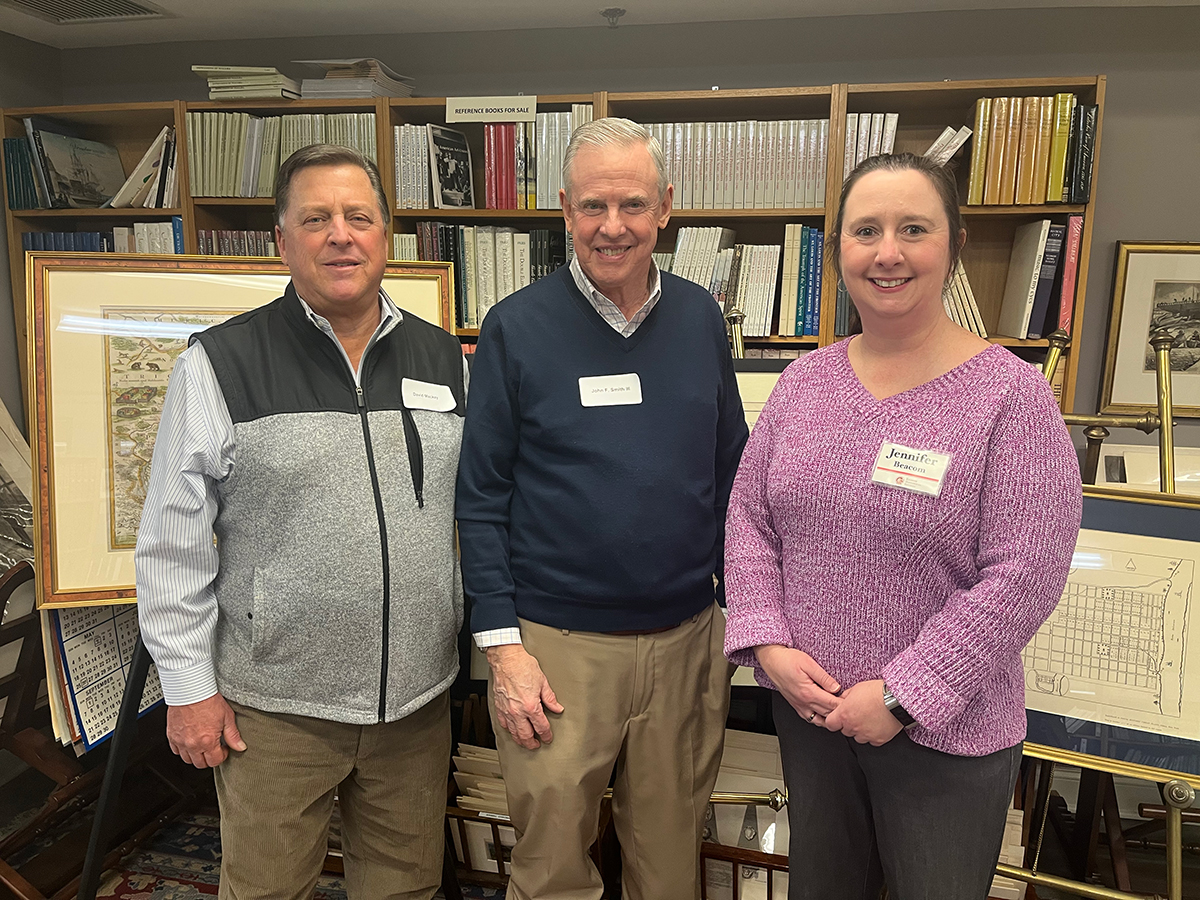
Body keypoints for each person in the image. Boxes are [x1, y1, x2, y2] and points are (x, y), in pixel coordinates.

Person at [723, 152, 1082, 900]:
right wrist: (768, 644)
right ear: (840, 251)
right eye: (866, 231)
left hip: (945, 741)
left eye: (913, 229)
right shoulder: (803, 383)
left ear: (951, 246)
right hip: (813, 720)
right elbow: (750, 519)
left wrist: (902, 697)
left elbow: (1026, 573)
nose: (888, 252)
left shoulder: (1011, 398)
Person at [135, 144, 468, 900]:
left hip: (415, 706)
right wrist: (187, 687)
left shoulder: (445, 358)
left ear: (387, 235)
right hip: (276, 712)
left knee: (406, 890)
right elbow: (171, 540)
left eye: (358, 216)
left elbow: (471, 511)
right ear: (282, 240)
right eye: (315, 219)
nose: (339, 235)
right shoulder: (219, 364)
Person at [456, 117, 748, 900]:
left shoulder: (699, 321)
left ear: (665, 208)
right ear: (563, 210)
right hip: (557, 651)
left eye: (631, 204)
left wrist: (744, 613)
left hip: (686, 641)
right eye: (592, 206)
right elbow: (479, 499)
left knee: (670, 856)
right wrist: (503, 650)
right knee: (550, 864)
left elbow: (733, 477)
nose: (611, 227)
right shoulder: (514, 329)